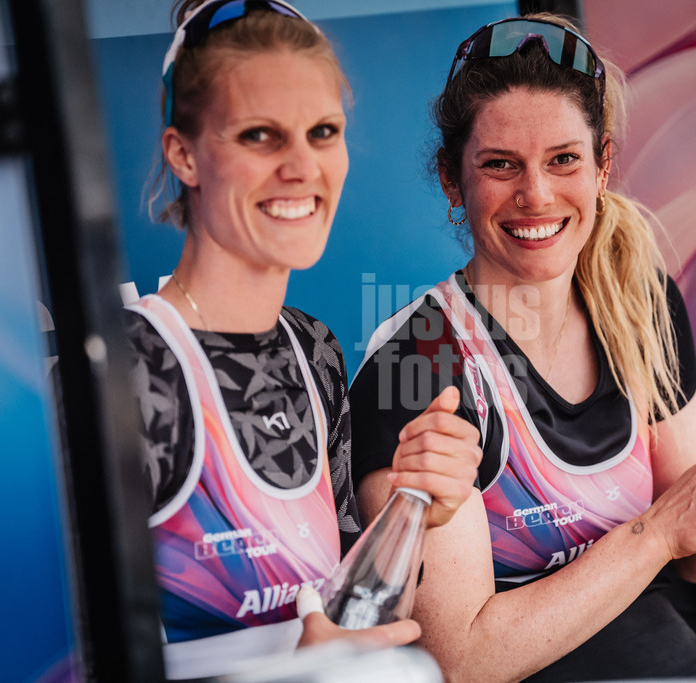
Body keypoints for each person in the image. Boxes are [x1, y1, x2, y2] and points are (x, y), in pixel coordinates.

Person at [348, 13, 696, 681]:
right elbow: (459, 660)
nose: (536, 194)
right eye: (500, 165)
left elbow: (694, 556)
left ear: (603, 165)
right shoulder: (417, 362)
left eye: (563, 160)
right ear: (452, 180)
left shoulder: (639, 302)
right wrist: (662, 527)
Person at [123, 1, 481, 679]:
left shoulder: (313, 349)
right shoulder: (134, 365)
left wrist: (415, 508)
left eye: (322, 131)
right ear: (183, 154)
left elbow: (353, 622)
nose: (300, 166)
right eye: (260, 135)